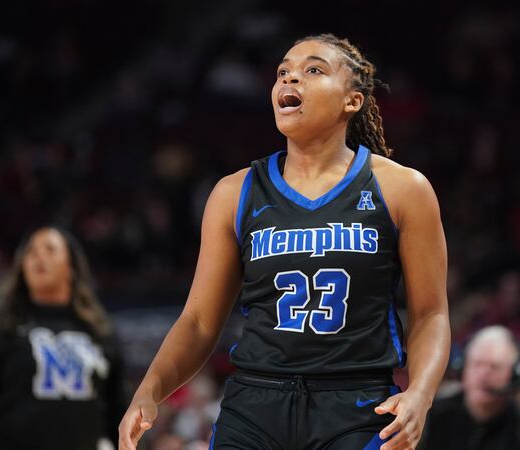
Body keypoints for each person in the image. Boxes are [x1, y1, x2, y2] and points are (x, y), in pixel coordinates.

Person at [118, 33, 450, 450]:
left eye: (313, 70)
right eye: (283, 73)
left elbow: (430, 313)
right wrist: (150, 390)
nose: (291, 80)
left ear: (352, 101)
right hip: (255, 405)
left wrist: (420, 394)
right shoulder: (234, 192)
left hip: (357, 405)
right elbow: (200, 322)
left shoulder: (403, 189)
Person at [0, 226, 126, 450]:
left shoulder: (99, 331)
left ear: (71, 267)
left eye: (50, 250)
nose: (38, 257)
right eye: (30, 252)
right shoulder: (1, 325)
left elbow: (118, 408)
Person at [420, 326, 520, 450]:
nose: (483, 375)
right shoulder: (432, 416)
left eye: (495, 367)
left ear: (514, 376)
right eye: (477, 364)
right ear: (462, 368)